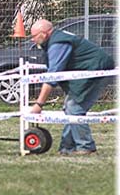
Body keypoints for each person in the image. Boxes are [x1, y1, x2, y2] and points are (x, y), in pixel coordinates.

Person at [29, 19, 115, 155]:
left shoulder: (58, 44)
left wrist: (39, 104)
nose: (33, 40)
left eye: (34, 36)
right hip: (91, 70)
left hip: (96, 69)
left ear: (44, 33)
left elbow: (53, 75)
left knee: (74, 107)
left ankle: (86, 147)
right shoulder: (56, 39)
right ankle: (66, 147)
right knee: (71, 108)